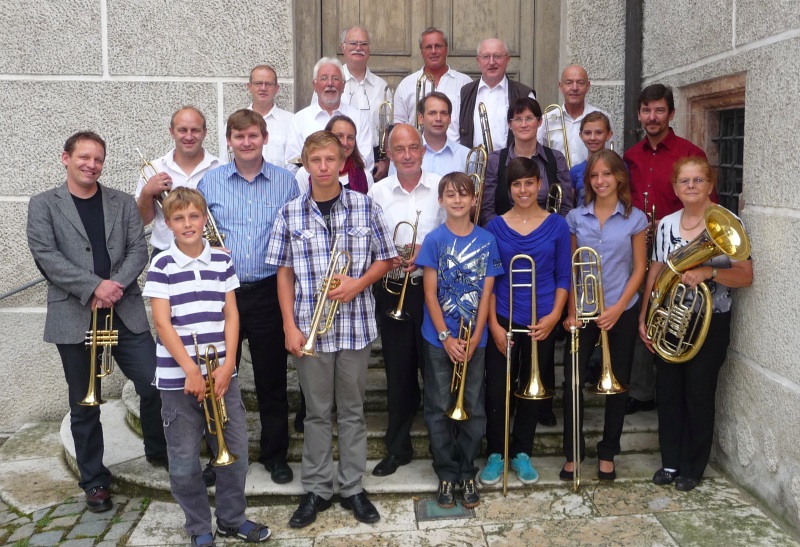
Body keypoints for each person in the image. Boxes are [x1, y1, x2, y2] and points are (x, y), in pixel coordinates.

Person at [27, 131, 167, 513]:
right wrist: (93, 287)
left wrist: (115, 285)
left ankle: (159, 451)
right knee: (84, 402)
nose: (91, 164)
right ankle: (94, 481)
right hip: (77, 312)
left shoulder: (121, 202)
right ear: (66, 158)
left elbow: (140, 248)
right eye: (84, 157)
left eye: (98, 159)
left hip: (123, 308)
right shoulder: (43, 205)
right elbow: (46, 256)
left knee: (154, 381)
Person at [266, 130, 396, 528]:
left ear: (343, 164)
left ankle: (353, 486)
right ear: (305, 165)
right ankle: (318, 488)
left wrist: (358, 283)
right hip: (309, 330)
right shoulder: (291, 212)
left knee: (353, 412)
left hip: (354, 328)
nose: (323, 167)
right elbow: (283, 273)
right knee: (317, 414)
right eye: (315, 160)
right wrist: (289, 325)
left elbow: (387, 257)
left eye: (330, 160)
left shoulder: (364, 206)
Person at [143, 188, 270, 546]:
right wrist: (191, 370)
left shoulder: (221, 261)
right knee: (183, 461)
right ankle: (199, 527)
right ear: (168, 224)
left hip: (220, 376)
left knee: (235, 452)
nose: (187, 224)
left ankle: (231, 519)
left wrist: (229, 364)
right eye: (179, 218)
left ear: (204, 220)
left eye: (193, 216)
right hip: (178, 378)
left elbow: (231, 314)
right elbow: (163, 324)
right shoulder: (162, 264)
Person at [197, 109, 299, 485]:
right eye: (239, 137)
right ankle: (221, 453)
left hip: (270, 292)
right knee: (220, 378)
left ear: (265, 137)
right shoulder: (211, 182)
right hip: (224, 295)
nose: (246, 142)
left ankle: (275, 455)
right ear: (228, 141)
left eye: (253, 135)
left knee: (272, 380)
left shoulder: (286, 183)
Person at [640, 157, 752, 492]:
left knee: (698, 393)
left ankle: (693, 465)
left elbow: (746, 276)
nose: (691, 186)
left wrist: (710, 272)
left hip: (710, 322)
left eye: (698, 180)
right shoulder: (666, 225)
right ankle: (670, 461)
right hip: (672, 320)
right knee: (669, 391)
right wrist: (646, 315)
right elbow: (657, 272)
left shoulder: (727, 222)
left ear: (710, 184)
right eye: (685, 181)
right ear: (675, 187)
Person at [481, 157, 571, 486]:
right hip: (503, 315)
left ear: (539, 185)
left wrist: (554, 317)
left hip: (542, 317)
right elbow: (490, 280)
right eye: (517, 184)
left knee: (531, 388)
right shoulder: (495, 227)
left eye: (529, 183)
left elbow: (564, 276)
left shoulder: (558, 225)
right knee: (497, 388)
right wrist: (493, 324)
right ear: (509, 189)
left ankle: (522, 451)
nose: (523, 190)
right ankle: (496, 452)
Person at [624, 83, 711, 415]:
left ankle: (670, 388)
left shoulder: (690, 155)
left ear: (671, 113)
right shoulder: (631, 156)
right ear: (639, 114)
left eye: (659, 110)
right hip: (640, 249)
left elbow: (707, 208)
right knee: (643, 314)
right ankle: (643, 390)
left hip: (678, 253)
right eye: (646, 110)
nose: (652, 117)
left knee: (675, 317)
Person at [561, 149, 647, 482]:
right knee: (572, 381)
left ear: (619, 178)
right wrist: (570, 312)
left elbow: (639, 268)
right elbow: (570, 267)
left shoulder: (635, 218)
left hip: (620, 309)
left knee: (618, 384)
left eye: (606, 175)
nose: (600, 181)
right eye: (594, 176)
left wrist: (617, 307)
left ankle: (608, 451)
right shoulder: (575, 218)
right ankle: (573, 453)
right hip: (582, 310)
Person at [416, 172, 502, 508]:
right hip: (439, 340)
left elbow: (487, 294)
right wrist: (446, 337)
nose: (457, 200)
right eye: (450, 195)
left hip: (474, 340)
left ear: (474, 200)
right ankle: (446, 473)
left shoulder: (487, 240)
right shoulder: (435, 240)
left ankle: (467, 470)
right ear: (441, 201)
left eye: (464, 194)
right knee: (438, 408)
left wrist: (477, 335)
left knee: (474, 408)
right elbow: (430, 295)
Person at [367, 124, 446, 477]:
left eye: (414, 147)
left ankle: (442, 444)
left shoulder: (441, 188)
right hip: (392, 286)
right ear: (390, 154)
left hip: (432, 289)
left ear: (423, 150)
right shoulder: (377, 191)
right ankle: (398, 448)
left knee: (434, 369)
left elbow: (453, 233)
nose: (408, 154)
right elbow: (369, 240)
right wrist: (391, 255)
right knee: (398, 371)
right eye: (400, 149)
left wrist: (425, 251)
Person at [135, 106, 221, 256]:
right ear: (172, 132)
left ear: (204, 133)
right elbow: (142, 221)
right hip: (165, 253)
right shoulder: (153, 168)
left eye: (195, 130)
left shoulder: (221, 168)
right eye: (182, 130)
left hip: (210, 253)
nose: (189, 136)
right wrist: (147, 193)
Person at [480, 97, 573, 227]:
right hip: (505, 238)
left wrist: (551, 233)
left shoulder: (556, 158)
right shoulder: (495, 160)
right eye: (518, 119)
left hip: (547, 236)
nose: (524, 124)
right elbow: (487, 210)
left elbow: (566, 207)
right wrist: (505, 234)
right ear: (509, 124)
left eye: (529, 118)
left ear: (540, 121)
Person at [286, 57, 374, 174]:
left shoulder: (359, 118)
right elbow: (292, 164)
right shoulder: (299, 120)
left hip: (351, 187)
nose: (330, 83)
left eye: (335, 78)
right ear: (315, 85)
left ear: (343, 86)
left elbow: (366, 161)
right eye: (324, 78)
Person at [393, 27, 472, 143]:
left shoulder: (465, 82)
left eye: (438, 46)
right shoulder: (406, 84)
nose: (433, 51)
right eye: (428, 47)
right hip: (417, 156)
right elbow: (398, 124)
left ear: (446, 49)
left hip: (455, 154)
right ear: (421, 52)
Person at [459, 38, 535, 150]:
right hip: (474, 165)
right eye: (486, 57)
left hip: (512, 165)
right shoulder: (464, 93)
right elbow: (454, 134)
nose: (491, 62)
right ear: (478, 61)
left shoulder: (524, 94)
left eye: (497, 56)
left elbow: (535, 134)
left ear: (507, 60)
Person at [338, 25, 391, 180]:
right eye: (353, 43)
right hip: (338, 157)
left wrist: (387, 161)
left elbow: (388, 129)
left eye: (364, 44)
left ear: (369, 49)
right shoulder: (331, 82)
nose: (358, 48)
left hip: (375, 161)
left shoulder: (382, 86)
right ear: (343, 47)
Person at [536, 64, 615, 166]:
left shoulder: (605, 118)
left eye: (580, 83)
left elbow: (613, 157)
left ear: (588, 86)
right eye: (569, 83)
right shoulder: (547, 120)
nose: (574, 88)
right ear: (561, 86)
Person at [388, 92, 470, 177]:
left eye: (443, 113)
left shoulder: (467, 156)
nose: (438, 118)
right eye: (432, 113)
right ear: (420, 118)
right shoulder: (402, 155)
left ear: (449, 119)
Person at [295, 114, 374, 193]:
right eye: (339, 136)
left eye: (350, 137)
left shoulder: (365, 176)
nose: (345, 143)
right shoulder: (305, 173)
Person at [246, 64, 293, 169]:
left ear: (276, 89)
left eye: (268, 84)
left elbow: (294, 163)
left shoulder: (292, 121)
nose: (263, 88)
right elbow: (226, 161)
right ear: (249, 87)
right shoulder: (235, 121)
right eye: (258, 83)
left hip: (281, 184)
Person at [569, 111, 614, 207]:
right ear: (581, 136)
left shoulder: (619, 166)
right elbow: (569, 206)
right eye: (587, 133)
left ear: (609, 135)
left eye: (599, 132)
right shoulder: (575, 171)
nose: (593, 138)